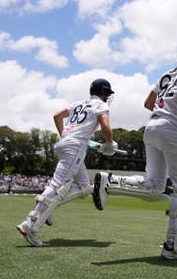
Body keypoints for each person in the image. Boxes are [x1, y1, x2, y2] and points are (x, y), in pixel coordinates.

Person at [92, 43, 177, 260]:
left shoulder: (166, 73)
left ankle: (110, 182)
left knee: (155, 186)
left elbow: (148, 103)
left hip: (152, 126)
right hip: (172, 129)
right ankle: (173, 247)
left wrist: (167, 111)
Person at [16, 78, 120, 247]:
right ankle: (30, 224)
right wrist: (110, 143)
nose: (107, 97)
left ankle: (46, 204)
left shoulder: (78, 103)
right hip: (75, 147)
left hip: (66, 144)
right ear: (103, 93)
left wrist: (64, 134)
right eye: (107, 94)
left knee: (85, 186)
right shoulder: (100, 105)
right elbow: (105, 127)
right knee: (57, 184)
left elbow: (57, 115)